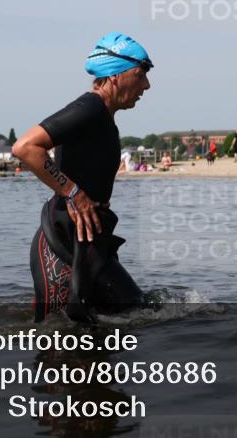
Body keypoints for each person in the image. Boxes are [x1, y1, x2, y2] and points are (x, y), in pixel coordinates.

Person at [13, 32, 150, 324]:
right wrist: (74, 192)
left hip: (87, 240)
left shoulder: (102, 114)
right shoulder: (90, 107)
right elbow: (25, 148)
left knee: (127, 316)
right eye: (140, 75)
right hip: (62, 242)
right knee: (61, 341)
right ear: (115, 75)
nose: (146, 85)